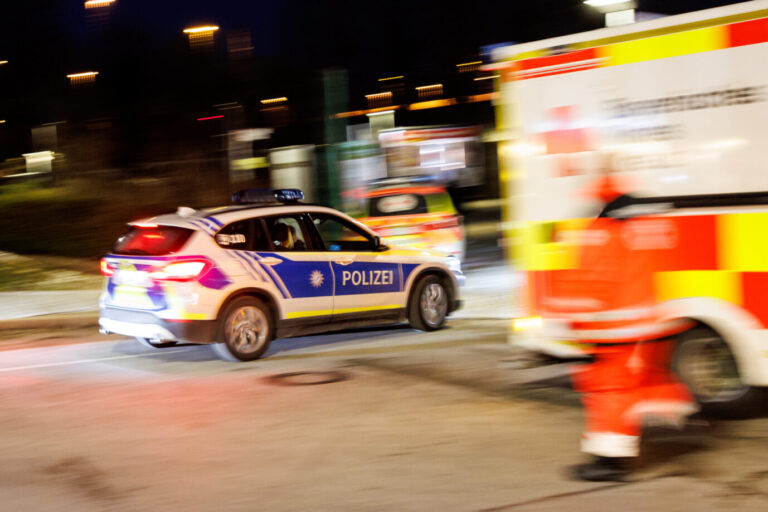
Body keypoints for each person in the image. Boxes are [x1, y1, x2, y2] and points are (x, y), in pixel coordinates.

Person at [553, 167, 698, 481]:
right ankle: (677, 405)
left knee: (609, 393)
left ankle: (611, 462)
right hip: (653, 325)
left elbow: (590, 283)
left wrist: (570, 324)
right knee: (639, 382)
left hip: (613, 330)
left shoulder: (601, 232)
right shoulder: (654, 227)